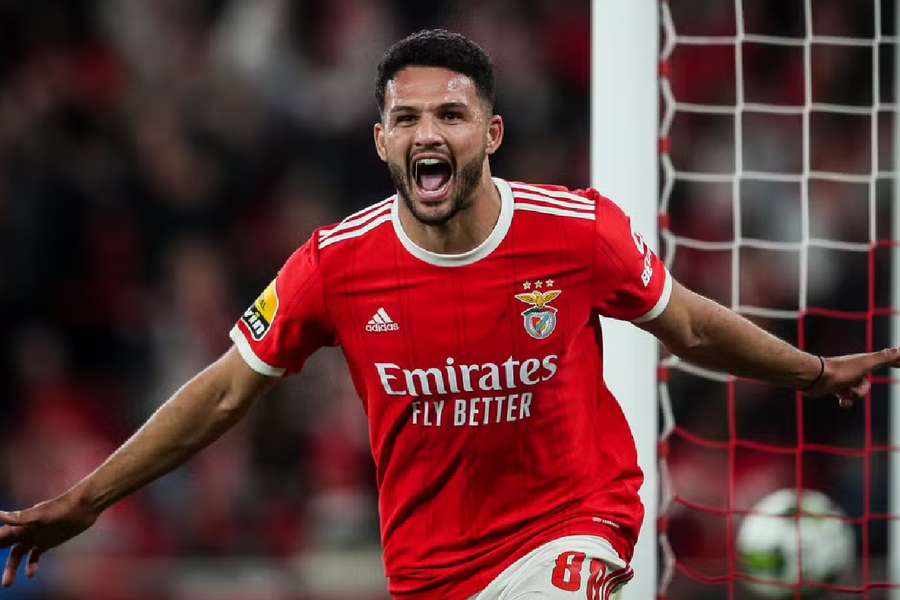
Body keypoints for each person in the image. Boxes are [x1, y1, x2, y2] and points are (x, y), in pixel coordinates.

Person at [0, 28, 897, 599]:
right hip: (431, 573)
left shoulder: (577, 232)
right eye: (409, 117)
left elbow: (690, 325)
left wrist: (815, 373)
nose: (431, 132)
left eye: (453, 115)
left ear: (490, 134)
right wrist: (85, 500)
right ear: (382, 139)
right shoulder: (334, 265)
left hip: (575, 525)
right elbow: (227, 392)